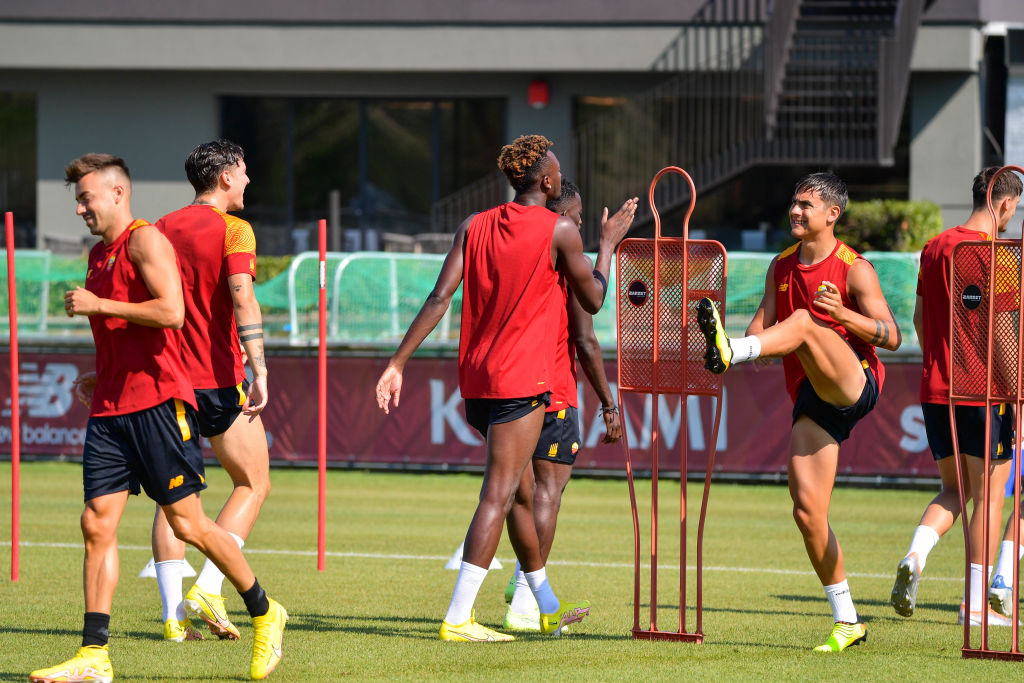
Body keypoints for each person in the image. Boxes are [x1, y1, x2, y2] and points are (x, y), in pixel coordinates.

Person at [30, 154, 286, 683]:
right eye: (76, 199)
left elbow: (173, 312)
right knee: (96, 524)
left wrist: (101, 306)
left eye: (86, 198)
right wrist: (98, 377)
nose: (79, 208)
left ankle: (265, 611)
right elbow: (123, 330)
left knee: (188, 523)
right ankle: (94, 655)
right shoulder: (99, 256)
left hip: (159, 404)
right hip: (111, 408)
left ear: (118, 194)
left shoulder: (148, 238)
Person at [375, 134, 636, 641]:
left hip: (477, 381)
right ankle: (458, 618)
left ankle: (545, 604)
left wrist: (397, 362)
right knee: (499, 495)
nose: (560, 175)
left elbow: (438, 297)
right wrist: (606, 246)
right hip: (523, 381)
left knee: (519, 497)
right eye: (556, 169)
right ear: (545, 180)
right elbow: (596, 300)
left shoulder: (474, 225)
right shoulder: (559, 229)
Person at [696, 172, 900, 652]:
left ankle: (732, 349)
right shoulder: (780, 265)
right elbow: (764, 333)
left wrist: (844, 316)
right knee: (808, 513)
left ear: (833, 214)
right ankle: (848, 620)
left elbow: (892, 337)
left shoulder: (855, 268)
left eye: (807, 204)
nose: (795, 210)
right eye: (794, 202)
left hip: (855, 383)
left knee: (807, 321)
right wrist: (747, 346)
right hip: (813, 398)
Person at [147, 139, 272, 643]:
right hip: (217, 378)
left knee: (172, 498)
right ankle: (211, 585)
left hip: (164, 378)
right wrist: (259, 367)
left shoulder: (157, 229)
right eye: (243, 172)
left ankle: (173, 619)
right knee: (254, 482)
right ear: (224, 176)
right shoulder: (234, 229)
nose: (246, 181)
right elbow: (243, 298)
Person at [502, 179, 622, 631]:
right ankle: (526, 602)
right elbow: (586, 336)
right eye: (576, 217)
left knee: (519, 493)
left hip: (512, 388)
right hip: (552, 390)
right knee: (546, 493)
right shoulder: (568, 258)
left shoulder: (523, 255)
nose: (579, 226)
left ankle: (523, 586)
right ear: (560, 215)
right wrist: (608, 403)